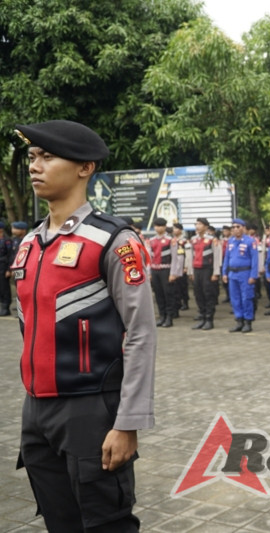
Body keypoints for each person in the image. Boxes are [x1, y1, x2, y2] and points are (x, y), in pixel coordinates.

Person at [11, 119, 156, 531]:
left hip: (92, 409)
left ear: (85, 167)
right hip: (37, 410)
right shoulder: (29, 243)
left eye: (48, 157)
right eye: (33, 157)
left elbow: (141, 333)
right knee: (60, 521)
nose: (35, 166)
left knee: (105, 522)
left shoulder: (113, 239)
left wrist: (127, 422)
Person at [222, 218, 259, 333]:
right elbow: (226, 258)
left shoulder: (250, 241)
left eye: (238, 227)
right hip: (233, 274)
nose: (235, 229)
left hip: (245, 273)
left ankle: (248, 321)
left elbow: (255, 259)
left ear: (243, 228)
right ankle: (239, 321)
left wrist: (253, 275)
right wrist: (224, 273)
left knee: (246, 298)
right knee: (235, 299)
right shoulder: (231, 241)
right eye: (233, 227)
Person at [186, 217, 221, 330]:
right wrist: (190, 271)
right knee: (198, 294)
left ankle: (209, 319)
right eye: (196, 224)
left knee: (208, 294)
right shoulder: (193, 239)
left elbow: (217, 256)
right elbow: (191, 256)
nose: (197, 226)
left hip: (207, 270)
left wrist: (216, 272)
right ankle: (202, 317)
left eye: (200, 224)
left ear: (206, 227)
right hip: (197, 270)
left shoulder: (212, 239)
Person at [148, 217, 179, 328]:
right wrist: (149, 272)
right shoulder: (151, 240)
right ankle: (162, 316)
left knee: (168, 294)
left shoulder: (170, 240)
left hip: (166, 270)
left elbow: (175, 258)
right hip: (155, 270)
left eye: (160, 225)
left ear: (165, 227)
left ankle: (169, 318)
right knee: (158, 295)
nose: (158, 228)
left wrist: (173, 273)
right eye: (156, 225)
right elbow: (149, 258)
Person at [172, 222, 191, 311]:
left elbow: (188, 255)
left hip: (182, 266)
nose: (174, 230)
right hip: (175, 266)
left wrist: (186, 267)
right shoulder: (173, 240)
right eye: (173, 228)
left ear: (180, 230)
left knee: (183, 285)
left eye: (176, 228)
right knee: (176, 287)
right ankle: (178, 302)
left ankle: (185, 302)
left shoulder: (185, 240)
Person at [0, 221, 13, 316]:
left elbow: (11, 256)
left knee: (4, 288)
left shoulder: (7, 240)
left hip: (3, 268)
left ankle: (6, 307)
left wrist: (9, 269)